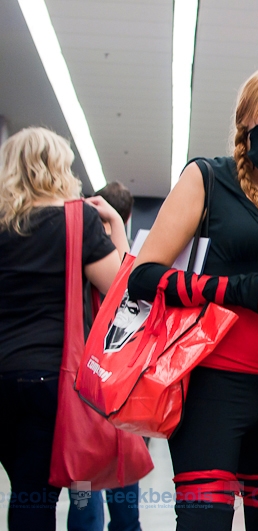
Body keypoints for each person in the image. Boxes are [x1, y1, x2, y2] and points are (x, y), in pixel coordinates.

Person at [127, 64, 258, 531]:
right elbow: (143, 277)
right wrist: (236, 290)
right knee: (203, 523)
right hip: (213, 389)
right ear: (247, 118)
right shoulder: (207, 177)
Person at [0, 127, 128, 531]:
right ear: (57, 167)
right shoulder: (77, 220)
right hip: (49, 376)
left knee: (22, 486)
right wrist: (116, 225)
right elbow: (119, 292)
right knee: (34, 494)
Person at [69, 180, 142, 531]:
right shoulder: (121, 259)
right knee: (123, 478)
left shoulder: (73, 251)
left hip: (81, 381)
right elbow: (127, 292)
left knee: (84, 484)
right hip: (117, 383)